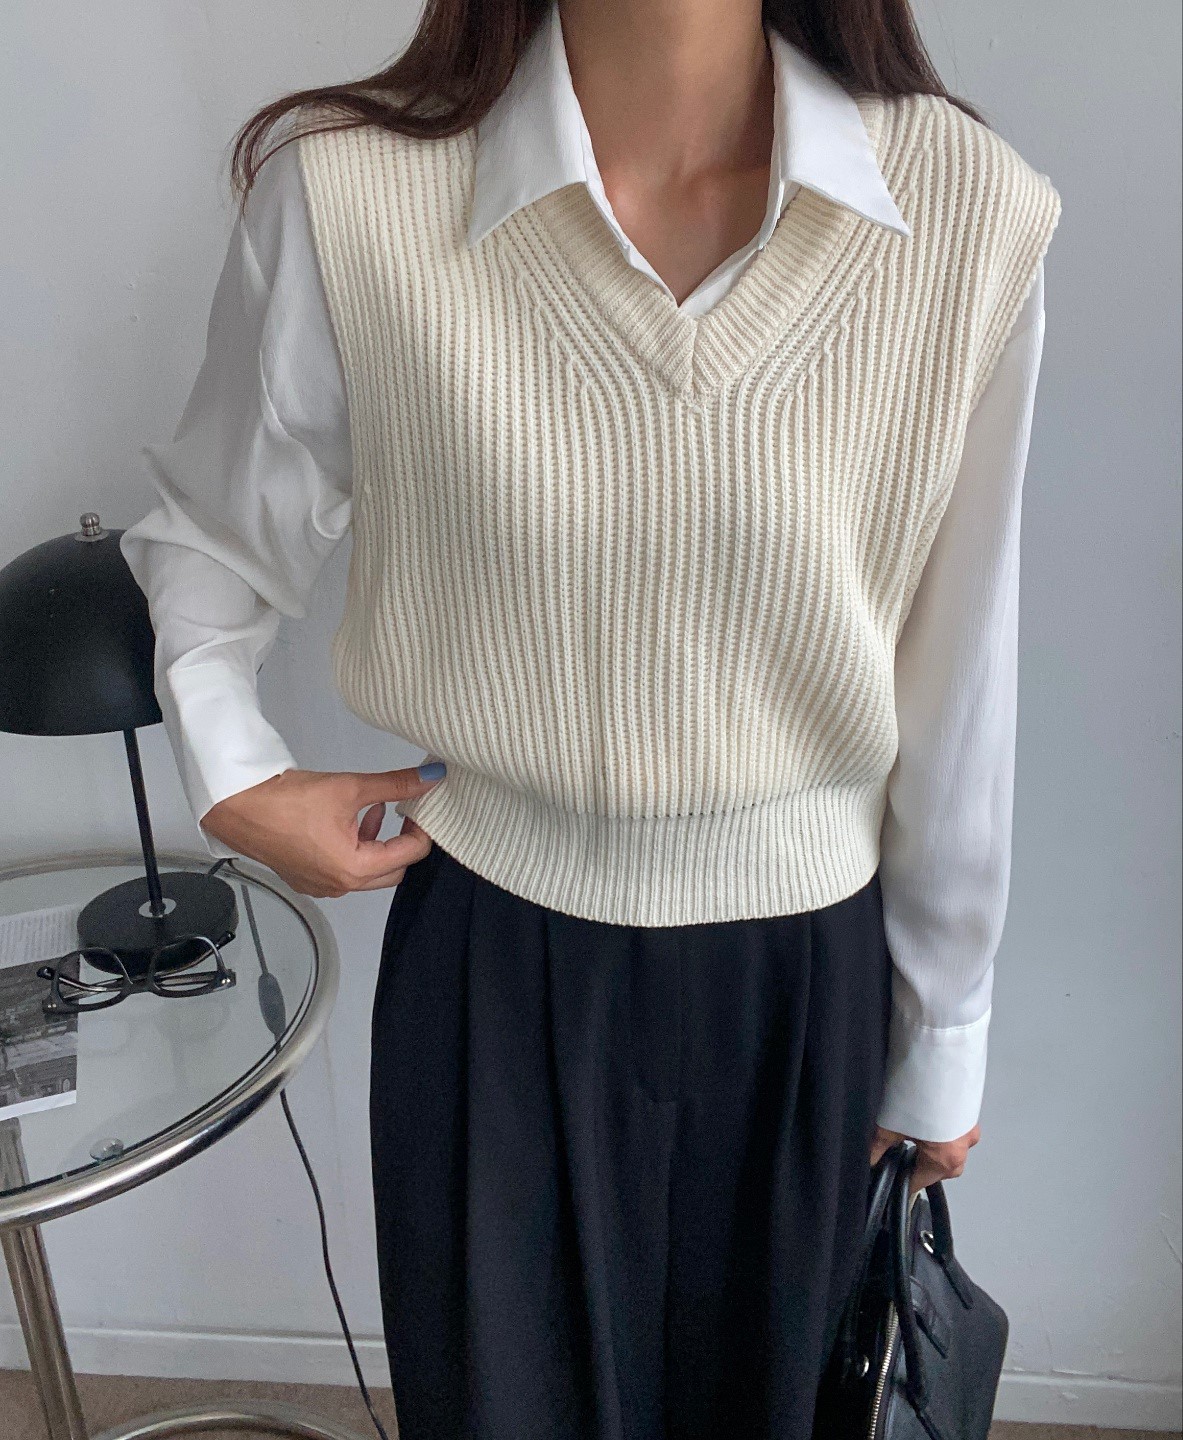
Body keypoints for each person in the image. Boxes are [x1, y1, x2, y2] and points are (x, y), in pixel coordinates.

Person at [119, 0, 1061, 1435]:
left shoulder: (965, 211)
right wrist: (232, 770)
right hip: (493, 959)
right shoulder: (352, 196)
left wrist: (944, 1023)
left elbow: (963, 660)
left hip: (808, 977)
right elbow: (211, 534)